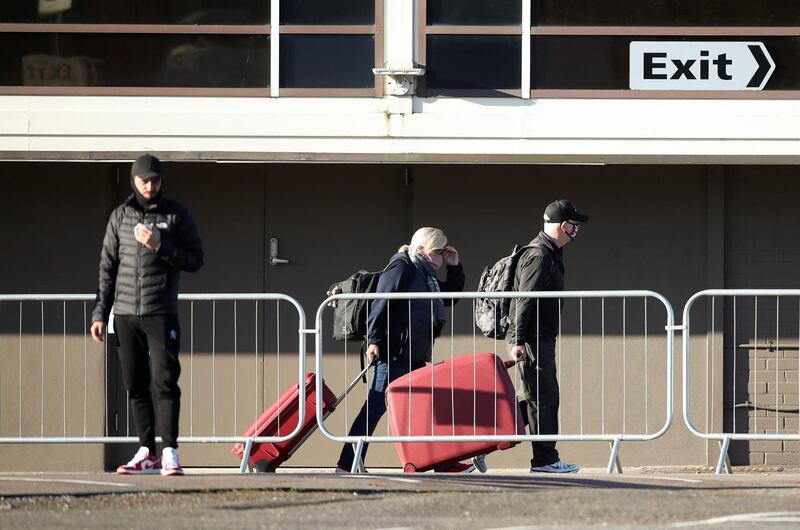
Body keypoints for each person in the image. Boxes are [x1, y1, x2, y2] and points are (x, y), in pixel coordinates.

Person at [90, 154, 204, 476]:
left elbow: (196, 259)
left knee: (165, 381)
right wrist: (100, 312)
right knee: (135, 384)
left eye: (155, 180)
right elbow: (107, 268)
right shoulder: (120, 216)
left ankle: (169, 451)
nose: (150, 186)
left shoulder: (177, 214)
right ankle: (145, 450)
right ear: (134, 181)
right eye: (144, 181)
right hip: (125, 313)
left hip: (160, 311)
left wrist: (160, 245)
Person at [335, 227, 480, 473]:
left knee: (422, 407)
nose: (439, 257)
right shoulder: (402, 266)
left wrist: (454, 266)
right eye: (437, 251)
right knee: (375, 406)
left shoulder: (426, 275)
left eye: (442, 253)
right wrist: (374, 340)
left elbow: (451, 297)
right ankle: (347, 464)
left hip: (413, 353)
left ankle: (441, 462)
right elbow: (381, 303)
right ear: (421, 248)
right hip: (394, 352)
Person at [507, 199, 589, 473]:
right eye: (574, 225)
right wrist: (517, 340)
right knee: (544, 398)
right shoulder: (540, 255)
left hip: (538, 337)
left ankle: (485, 442)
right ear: (563, 225)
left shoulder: (550, 253)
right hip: (531, 338)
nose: (577, 230)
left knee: (536, 398)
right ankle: (545, 460)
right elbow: (524, 300)